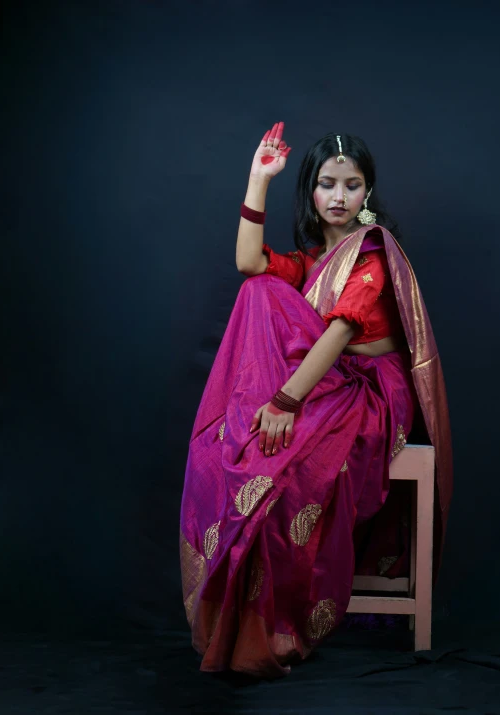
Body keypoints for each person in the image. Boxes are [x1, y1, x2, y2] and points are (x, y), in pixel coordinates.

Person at [179, 122, 453, 678]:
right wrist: (258, 180)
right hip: (320, 384)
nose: (338, 197)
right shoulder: (309, 262)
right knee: (259, 292)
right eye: (327, 184)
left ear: (367, 192)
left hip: (370, 390)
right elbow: (249, 265)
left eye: (352, 185)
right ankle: (236, 619)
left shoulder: (372, 253)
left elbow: (339, 334)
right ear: (311, 189)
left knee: (280, 472)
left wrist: (283, 401)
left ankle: (274, 626)